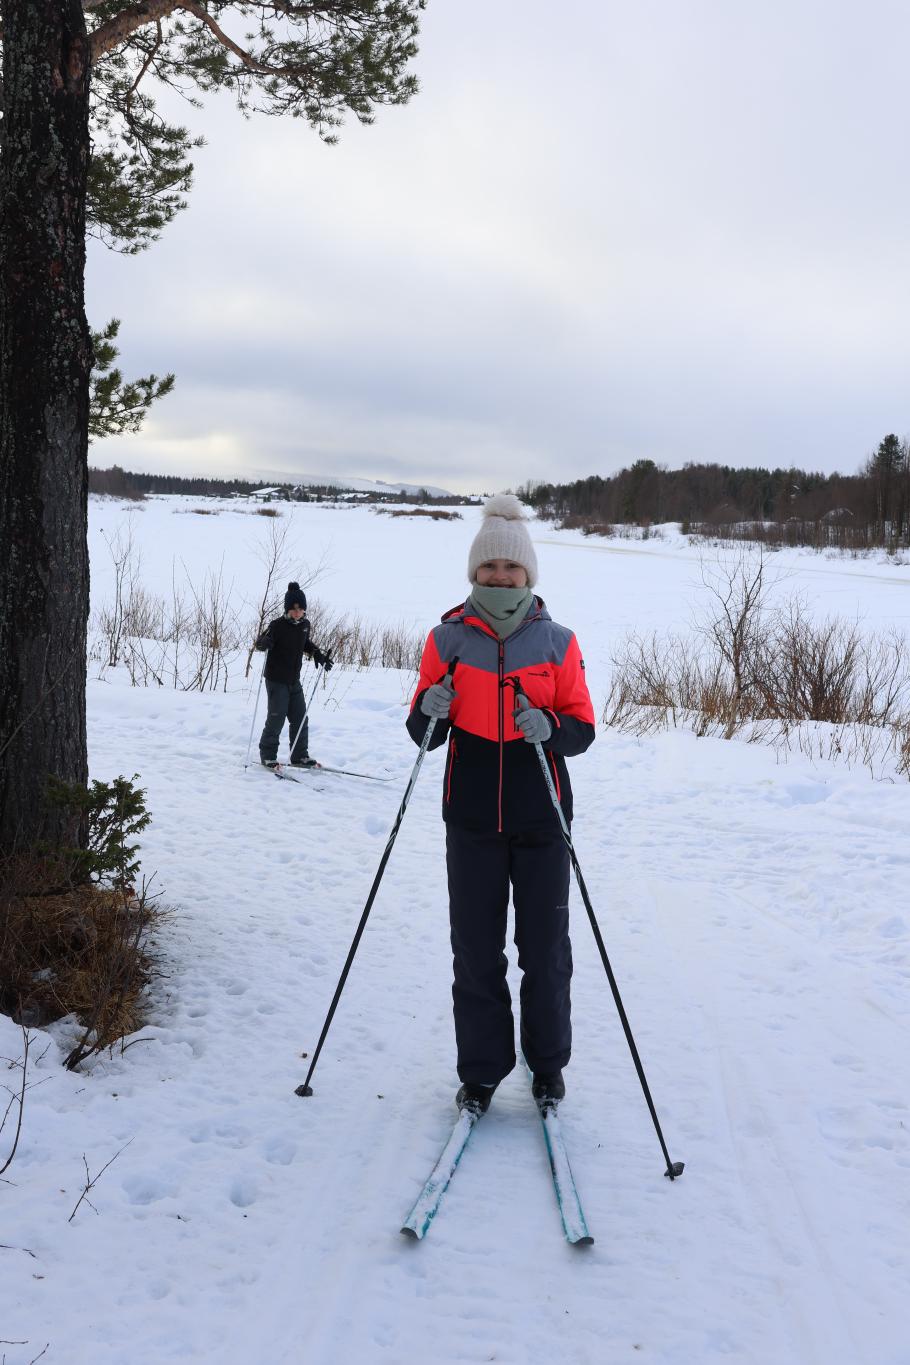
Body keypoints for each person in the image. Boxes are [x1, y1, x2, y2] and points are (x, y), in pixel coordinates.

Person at [406, 494, 595, 1115]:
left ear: (528, 574)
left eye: (510, 569)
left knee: (545, 949)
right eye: (489, 568)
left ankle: (547, 1066)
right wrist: (429, 708)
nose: (499, 577)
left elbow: (582, 728)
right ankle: (482, 1070)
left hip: (542, 816)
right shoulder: (447, 639)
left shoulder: (558, 642)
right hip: (471, 817)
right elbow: (422, 732)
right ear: (475, 572)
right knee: (476, 951)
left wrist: (550, 726)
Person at [255, 582, 333, 768]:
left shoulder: (305, 625)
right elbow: (260, 642)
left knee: (300, 718)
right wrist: (264, 643)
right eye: (293, 609)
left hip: (293, 680)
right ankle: (268, 755)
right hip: (276, 679)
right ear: (288, 609)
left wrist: (318, 654)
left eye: (300, 609)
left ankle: (299, 756)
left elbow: (305, 642)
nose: (297, 613)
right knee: (276, 717)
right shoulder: (277, 625)